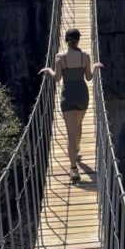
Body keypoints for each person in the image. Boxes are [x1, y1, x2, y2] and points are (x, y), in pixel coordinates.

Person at [39, 29, 102, 183]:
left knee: (70, 133)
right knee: (78, 125)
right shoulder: (85, 56)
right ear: (79, 40)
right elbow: (88, 77)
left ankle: (73, 168)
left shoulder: (60, 58)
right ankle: (77, 149)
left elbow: (57, 78)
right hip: (82, 95)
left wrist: (48, 70)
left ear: (66, 41)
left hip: (67, 97)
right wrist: (94, 67)